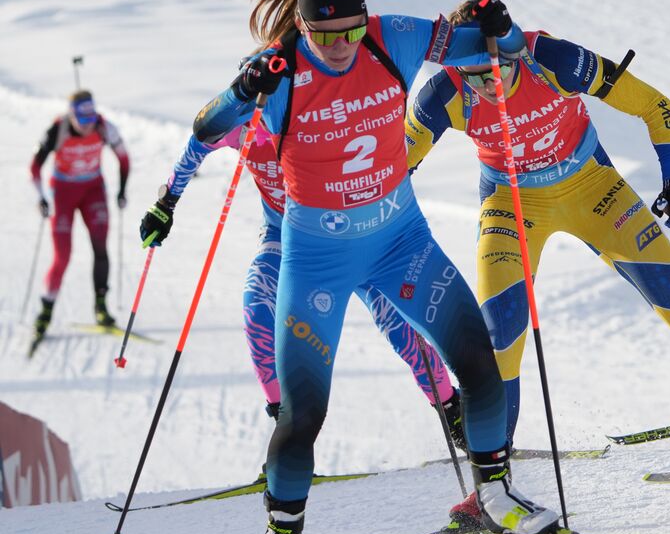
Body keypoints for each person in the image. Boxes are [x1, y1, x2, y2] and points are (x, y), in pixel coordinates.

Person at [190, 0, 557, 534]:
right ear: (303, 27)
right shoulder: (281, 73)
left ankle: (497, 495)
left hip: (400, 241)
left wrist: (500, 27)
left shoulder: (395, 36)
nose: (342, 46)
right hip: (317, 260)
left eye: (353, 30)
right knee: (304, 413)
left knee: (479, 359)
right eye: (327, 35)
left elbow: (494, 44)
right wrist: (242, 88)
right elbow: (205, 126)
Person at [405, 0, 670, 483]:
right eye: (473, 77)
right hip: (513, 205)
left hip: (593, 190)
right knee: (502, 340)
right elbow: (389, 173)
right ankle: (493, 484)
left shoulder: (550, 59)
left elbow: (654, 106)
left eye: (495, 70)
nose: (488, 86)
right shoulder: (443, 93)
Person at [139, 122, 467, 443]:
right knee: (257, 312)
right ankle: (288, 434)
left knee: (399, 326)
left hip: (346, 237)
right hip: (283, 239)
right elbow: (197, 143)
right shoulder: (238, 122)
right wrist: (165, 204)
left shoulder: (309, 113)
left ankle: (453, 411)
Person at [28, 90, 130, 352]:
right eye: (81, 122)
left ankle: (101, 306)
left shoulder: (104, 126)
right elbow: (35, 167)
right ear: (72, 116)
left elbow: (124, 159)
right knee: (62, 256)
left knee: (100, 247)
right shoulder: (57, 129)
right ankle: (45, 313)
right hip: (63, 193)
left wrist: (121, 190)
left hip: (93, 191)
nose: (87, 127)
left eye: (90, 120)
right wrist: (41, 197)